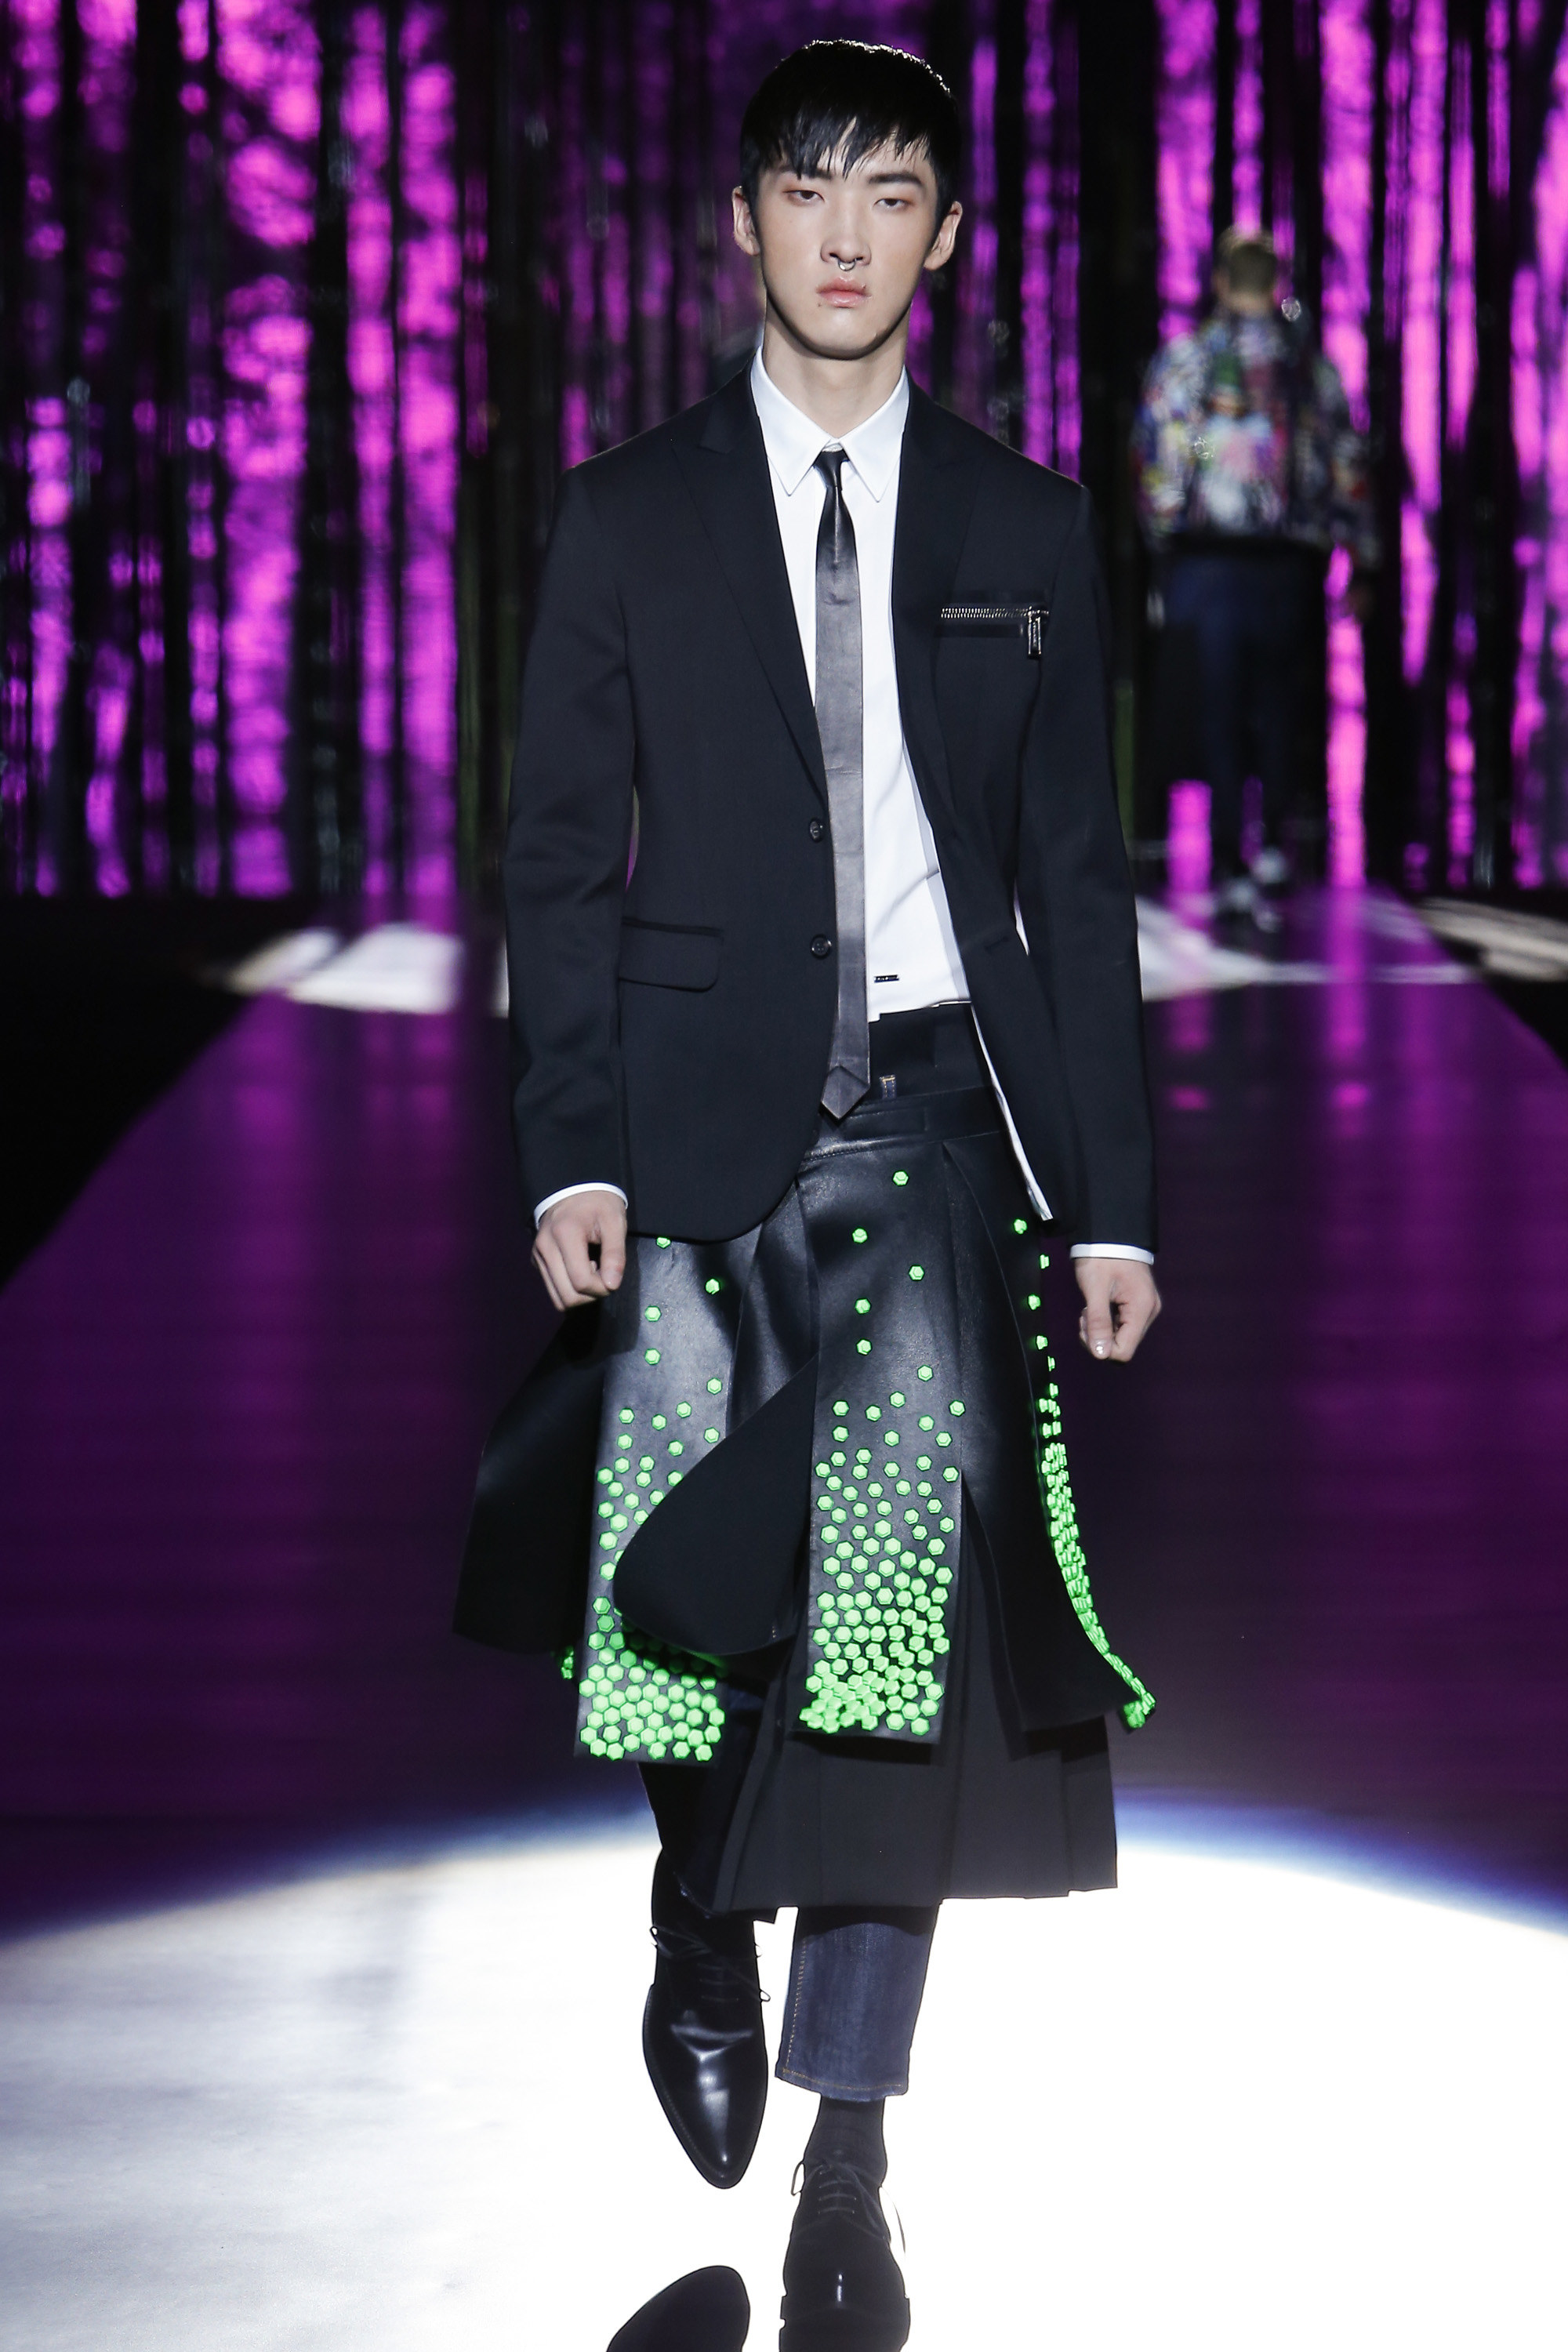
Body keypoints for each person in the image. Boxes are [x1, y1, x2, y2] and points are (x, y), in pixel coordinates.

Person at [456, 40, 1160, 2352]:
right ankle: (690, 1909)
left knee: (885, 1669)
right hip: (685, 1143)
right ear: (742, 217)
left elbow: (1071, 881)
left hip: (937, 1145)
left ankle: (850, 2154)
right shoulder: (627, 513)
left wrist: (1112, 1201)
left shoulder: (1022, 525)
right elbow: (557, 854)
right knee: (673, 1620)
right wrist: (570, 1141)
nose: (844, 233)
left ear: (944, 231)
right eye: (805, 186)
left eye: (890, 193)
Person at [1132, 224, 1378, 927]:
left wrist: (1165, 534)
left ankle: (1230, 865)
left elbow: (1165, 454)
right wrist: (1360, 557)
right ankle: (1270, 847)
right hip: (1286, 565)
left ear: (1219, 281)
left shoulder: (1187, 364)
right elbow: (1346, 462)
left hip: (1209, 562)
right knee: (1277, 707)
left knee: (1220, 711)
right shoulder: (1310, 369)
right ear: (1277, 283)